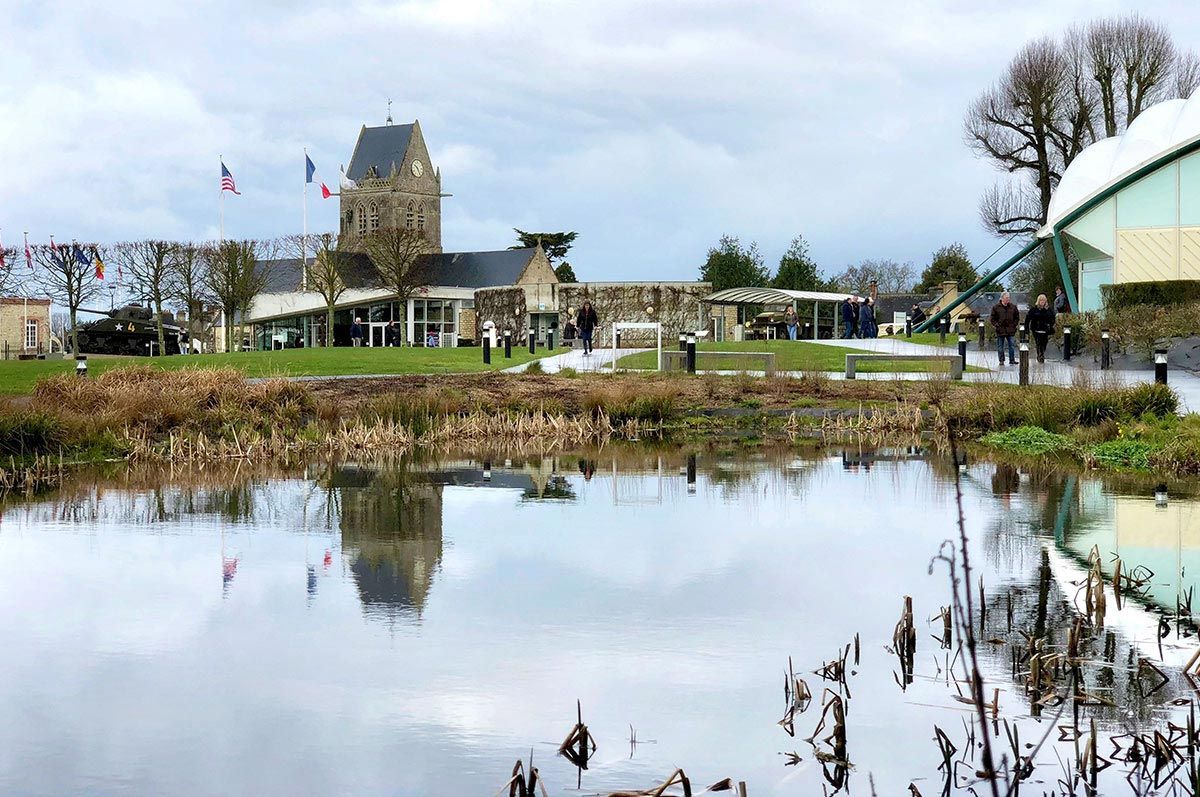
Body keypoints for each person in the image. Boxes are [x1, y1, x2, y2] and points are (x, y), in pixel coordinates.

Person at [989, 292, 1019, 366]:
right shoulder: (996, 307)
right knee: (1000, 346)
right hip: (1000, 330)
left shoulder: (1013, 307)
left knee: (1011, 345)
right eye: (1006, 298)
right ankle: (1001, 360)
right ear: (1002, 298)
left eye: (1008, 298)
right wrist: (996, 325)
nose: (1008, 299)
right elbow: (992, 318)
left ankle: (1012, 360)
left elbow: (1017, 317)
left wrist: (1014, 325)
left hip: (1010, 330)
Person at [1026, 294, 1055, 364]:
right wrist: (1026, 328)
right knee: (1038, 343)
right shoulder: (1034, 309)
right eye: (1041, 300)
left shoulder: (1048, 309)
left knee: (1044, 343)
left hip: (1045, 329)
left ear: (1045, 301)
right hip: (1036, 329)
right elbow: (1028, 319)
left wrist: (1050, 325)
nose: (1042, 302)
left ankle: (1041, 353)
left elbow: (1053, 318)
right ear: (1038, 301)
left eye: (1044, 300)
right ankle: (1040, 356)